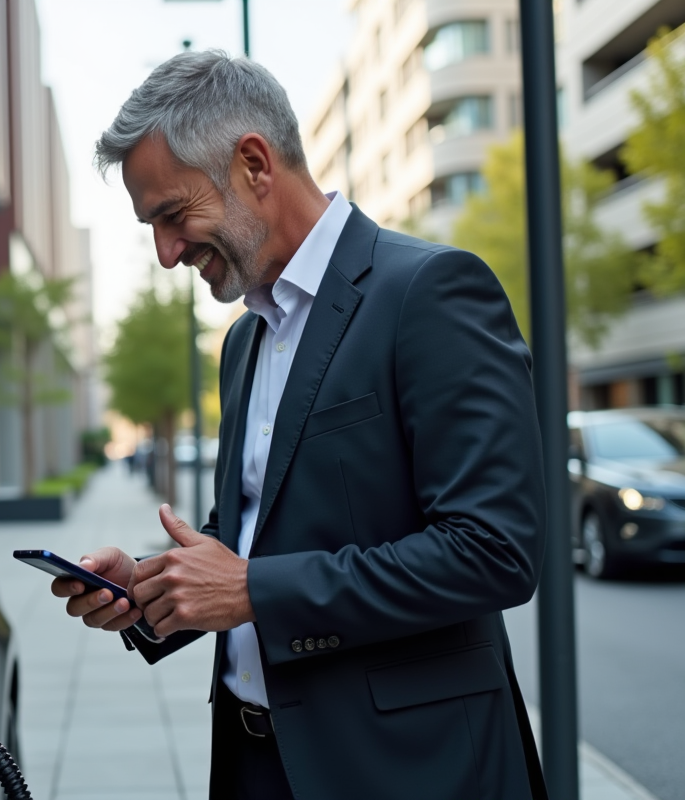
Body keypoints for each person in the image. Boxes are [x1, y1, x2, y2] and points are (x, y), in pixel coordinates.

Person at [51, 50, 547, 800]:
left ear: (254, 163)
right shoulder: (242, 342)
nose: (166, 254)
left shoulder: (430, 292)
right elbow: (249, 538)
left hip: (406, 770)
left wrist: (254, 590)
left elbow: (493, 551)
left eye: (173, 215)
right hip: (253, 763)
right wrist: (152, 588)